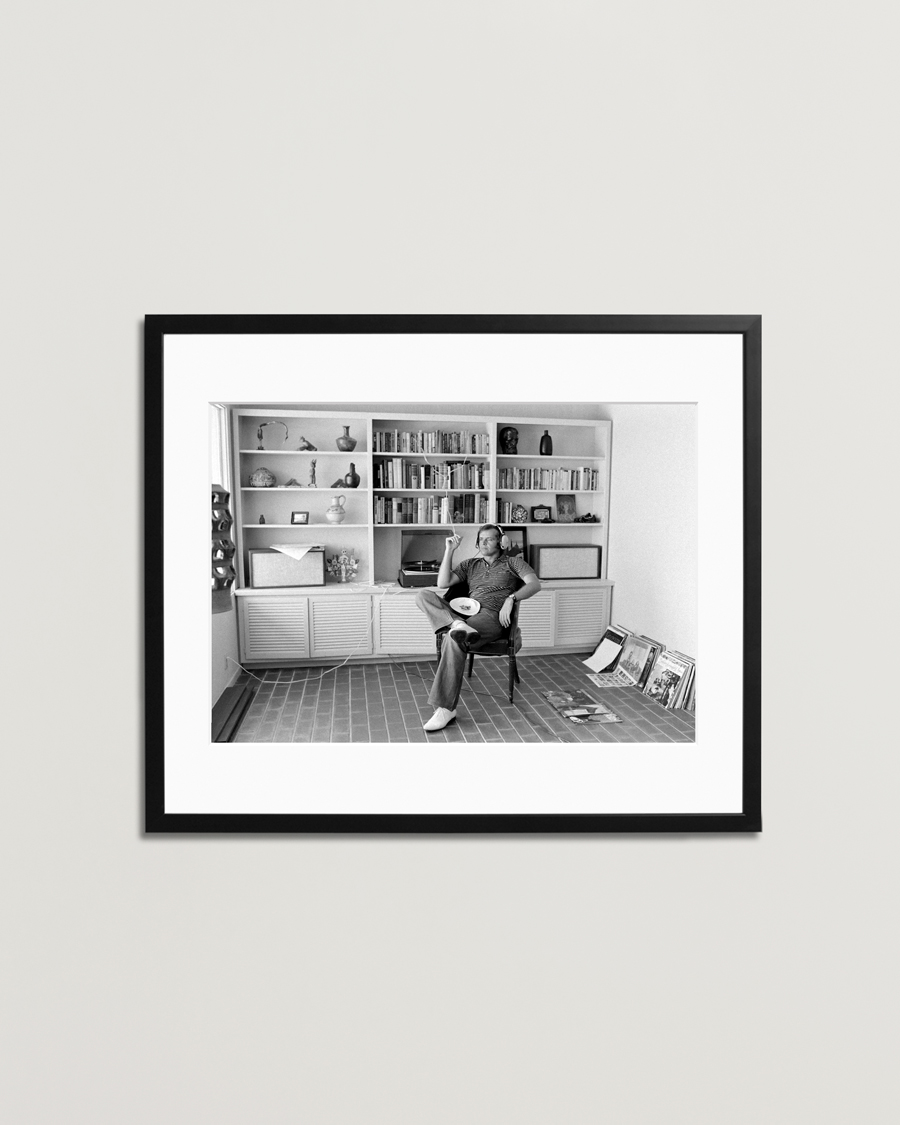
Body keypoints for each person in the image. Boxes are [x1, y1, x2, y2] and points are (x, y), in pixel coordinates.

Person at [415, 524, 542, 731]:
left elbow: (535, 584)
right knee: (423, 595)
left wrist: (511, 598)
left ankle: (445, 709)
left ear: (501, 542)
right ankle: (457, 624)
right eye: (481, 539)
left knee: (453, 638)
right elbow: (442, 583)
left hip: (490, 616)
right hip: (465, 613)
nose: (483, 543)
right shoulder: (470, 564)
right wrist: (449, 550)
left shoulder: (514, 563)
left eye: (489, 539)